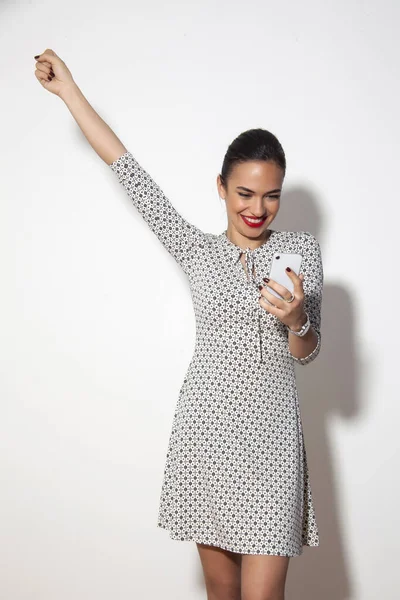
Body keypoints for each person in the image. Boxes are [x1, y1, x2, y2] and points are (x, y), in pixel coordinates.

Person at [34, 49, 324, 600]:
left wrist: (297, 318)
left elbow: (308, 351)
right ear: (221, 187)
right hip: (205, 434)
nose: (257, 208)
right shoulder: (196, 250)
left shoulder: (299, 249)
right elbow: (128, 171)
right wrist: (70, 92)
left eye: (270, 195)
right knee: (220, 591)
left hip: (271, 440)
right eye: (244, 193)